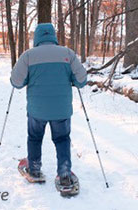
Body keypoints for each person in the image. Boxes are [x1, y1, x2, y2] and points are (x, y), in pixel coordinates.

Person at [10, 23, 87, 187]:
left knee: (35, 137)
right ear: (53, 36)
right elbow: (81, 80)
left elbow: (16, 82)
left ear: (37, 37)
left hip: (36, 110)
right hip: (62, 110)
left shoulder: (28, 56)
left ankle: (34, 169)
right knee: (62, 139)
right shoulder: (67, 53)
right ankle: (65, 174)